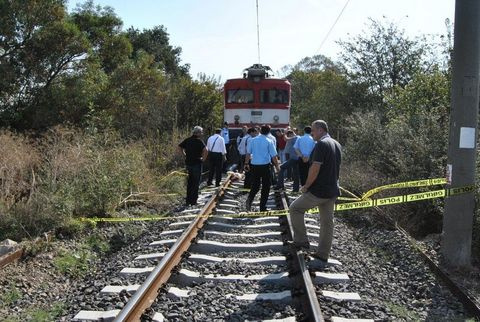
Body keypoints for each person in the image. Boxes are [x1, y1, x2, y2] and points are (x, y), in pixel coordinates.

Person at [288, 120, 342, 262]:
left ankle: (301, 241)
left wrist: (306, 186)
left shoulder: (321, 144)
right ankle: (323, 254)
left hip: (319, 190)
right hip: (332, 190)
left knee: (295, 209)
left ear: (320, 130)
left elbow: (315, 168)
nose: (311, 133)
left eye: (313, 130)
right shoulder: (336, 144)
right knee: (327, 222)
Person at [244, 125, 280, 211]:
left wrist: (246, 163)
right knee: (266, 187)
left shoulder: (253, 140)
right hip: (265, 166)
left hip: (254, 166)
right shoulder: (269, 141)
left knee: (255, 185)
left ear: (260, 131)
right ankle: (262, 207)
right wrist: (277, 167)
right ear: (268, 131)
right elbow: (274, 156)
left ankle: (249, 200)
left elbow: (248, 153)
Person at [178, 126, 208, 206]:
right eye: (201, 132)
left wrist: (184, 155)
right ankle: (193, 201)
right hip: (197, 164)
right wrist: (203, 159)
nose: (202, 134)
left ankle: (188, 201)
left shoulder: (187, 140)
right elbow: (206, 150)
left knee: (189, 183)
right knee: (196, 183)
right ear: (197, 133)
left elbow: (180, 147)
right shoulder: (199, 141)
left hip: (188, 164)